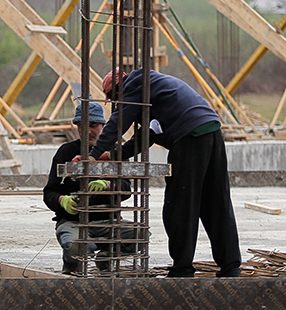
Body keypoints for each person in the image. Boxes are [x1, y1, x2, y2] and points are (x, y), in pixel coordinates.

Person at [93, 68, 242, 278]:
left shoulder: (135, 85)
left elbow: (118, 122)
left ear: (117, 91)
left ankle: (182, 269)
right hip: (212, 131)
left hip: (189, 136)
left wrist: (93, 155)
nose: (117, 104)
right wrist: (112, 155)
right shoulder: (154, 89)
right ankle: (231, 267)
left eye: (115, 100)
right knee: (216, 202)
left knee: (180, 204)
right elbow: (147, 136)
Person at [44, 100, 139, 274]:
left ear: (104, 125)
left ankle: (105, 256)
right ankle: (72, 264)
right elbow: (49, 191)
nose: (87, 131)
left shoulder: (115, 152)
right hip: (74, 222)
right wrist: (61, 201)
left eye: (93, 125)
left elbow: (126, 187)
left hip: (108, 221)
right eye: (81, 126)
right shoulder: (65, 152)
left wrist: (109, 185)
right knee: (76, 248)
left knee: (140, 236)